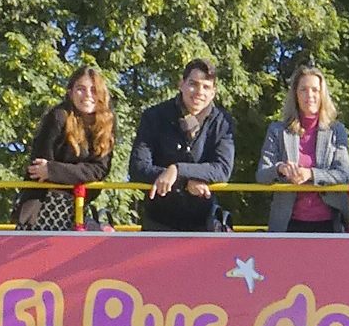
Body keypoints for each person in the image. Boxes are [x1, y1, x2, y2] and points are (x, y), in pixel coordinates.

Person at [128, 59, 235, 231]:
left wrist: (177, 169)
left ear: (213, 92)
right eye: (193, 84)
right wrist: (184, 183)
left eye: (206, 87)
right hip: (157, 222)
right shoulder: (154, 116)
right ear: (181, 85)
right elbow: (137, 167)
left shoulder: (222, 121)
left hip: (203, 224)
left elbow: (222, 169)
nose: (199, 92)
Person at [15, 65, 115, 230]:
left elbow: (100, 170)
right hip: (43, 204)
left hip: (80, 203)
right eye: (80, 89)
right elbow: (39, 169)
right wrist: (58, 172)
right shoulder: (58, 117)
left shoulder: (107, 122)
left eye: (93, 90)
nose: (88, 95)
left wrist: (54, 170)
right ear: (70, 92)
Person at [255, 66, 349, 232]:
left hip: (330, 223)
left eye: (315, 90)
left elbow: (343, 174)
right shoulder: (278, 130)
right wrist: (280, 169)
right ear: (295, 95)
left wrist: (311, 174)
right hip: (288, 224)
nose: (310, 95)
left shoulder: (336, 130)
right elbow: (262, 175)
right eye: (304, 90)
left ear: (323, 95)